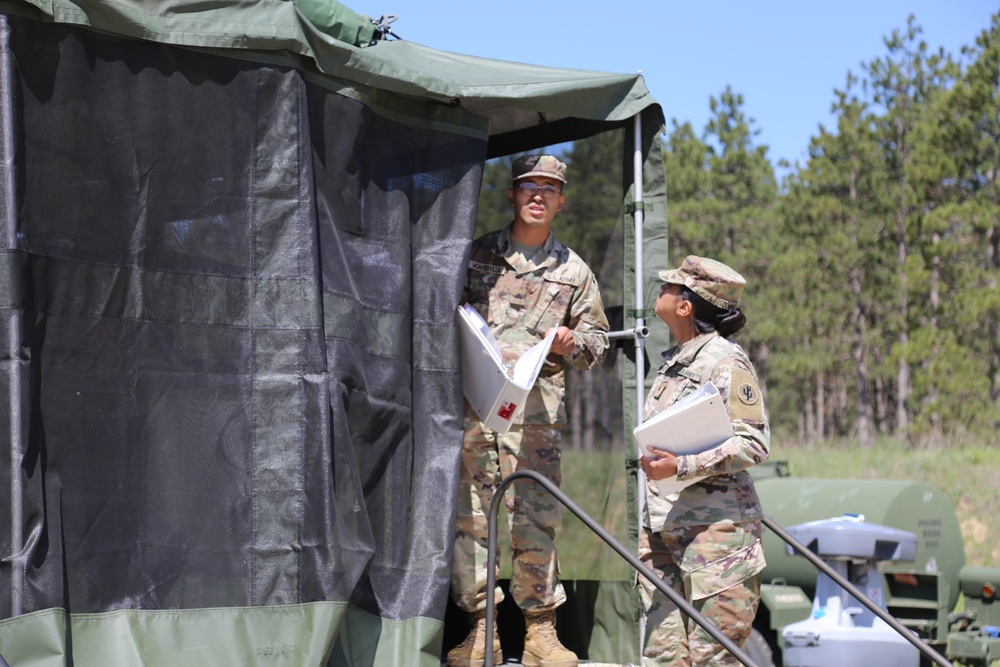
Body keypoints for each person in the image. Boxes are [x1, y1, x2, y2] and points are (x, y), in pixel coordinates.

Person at [448, 155, 610, 667]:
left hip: (535, 420)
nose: (538, 195)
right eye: (528, 186)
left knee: (534, 520)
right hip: (476, 412)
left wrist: (570, 342)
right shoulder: (475, 256)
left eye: (549, 188)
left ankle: (541, 633)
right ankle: (481, 632)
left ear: (561, 202)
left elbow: (598, 343)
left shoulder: (574, 271)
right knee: (472, 519)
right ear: (513, 195)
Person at [637, 256, 770, 666]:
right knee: (662, 660)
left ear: (685, 306)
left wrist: (681, 466)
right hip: (665, 534)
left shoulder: (724, 361)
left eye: (670, 286)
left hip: (716, 542)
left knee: (714, 660)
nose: (661, 289)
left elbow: (753, 443)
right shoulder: (674, 362)